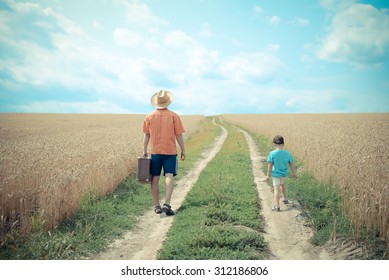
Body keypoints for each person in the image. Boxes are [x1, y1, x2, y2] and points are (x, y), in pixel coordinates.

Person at [142, 90, 186, 216]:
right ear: (168, 102)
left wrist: (145, 150)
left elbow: (146, 135)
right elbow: (179, 135)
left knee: (154, 178)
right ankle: (167, 204)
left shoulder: (149, 116)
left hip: (155, 152)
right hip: (170, 152)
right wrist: (183, 150)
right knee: (169, 176)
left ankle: (157, 206)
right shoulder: (174, 116)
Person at [265, 135, 297, 212]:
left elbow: (270, 165)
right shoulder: (287, 153)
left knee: (276, 189)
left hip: (275, 174)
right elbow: (291, 164)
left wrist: (268, 176)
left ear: (274, 144)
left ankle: (277, 206)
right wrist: (294, 173)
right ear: (283, 144)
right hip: (283, 174)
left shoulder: (272, 153)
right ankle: (285, 199)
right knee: (282, 185)